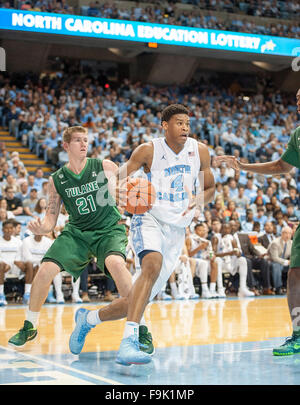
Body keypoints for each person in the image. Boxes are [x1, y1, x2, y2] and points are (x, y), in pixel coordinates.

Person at [68, 104, 215, 365]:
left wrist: (199, 201)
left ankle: (87, 319)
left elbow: (210, 187)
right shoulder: (149, 150)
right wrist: (114, 189)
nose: (184, 128)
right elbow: (118, 174)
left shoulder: (199, 150)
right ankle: (129, 342)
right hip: (148, 218)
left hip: (178, 229)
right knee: (151, 264)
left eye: (187, 124)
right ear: (165, 125)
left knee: (137, 299)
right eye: (179, 123)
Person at [8, 126, 152, 355]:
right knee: (44, 270)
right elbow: (50, 220)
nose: (84, 144)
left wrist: (118, 191)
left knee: (117, 264)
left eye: (85, 140)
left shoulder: (104, 166)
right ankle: (30, 325)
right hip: (77, 232)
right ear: (65, 146)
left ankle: (141, 328)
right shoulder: (57, 180)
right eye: (77, 140)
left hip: (108, 228)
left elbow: (120, 188)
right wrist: (40, 227)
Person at [214, 87, 300, 356]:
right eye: (296, 97)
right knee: (296, 275)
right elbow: (280, 167)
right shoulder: (298, 135)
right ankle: (298, 335)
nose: (297, 101)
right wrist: (243, 167)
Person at [268, 226, 292, 295]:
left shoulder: (291, 243)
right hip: (271, 262)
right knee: (276, 265)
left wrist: (292, 261)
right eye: (286, 233)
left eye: (289, 233)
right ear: (282, 233)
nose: (288, 235)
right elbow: (274, 258)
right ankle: (278, 288)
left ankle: (293, 288)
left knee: (295, 266)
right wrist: (287, 262)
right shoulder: (275, 243)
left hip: (284, 263)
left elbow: (293, 255)